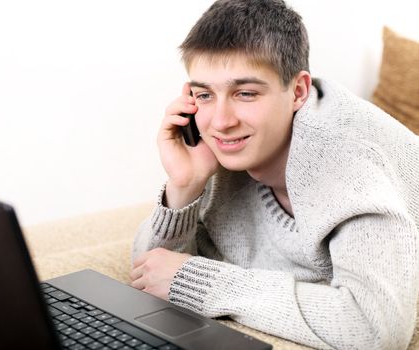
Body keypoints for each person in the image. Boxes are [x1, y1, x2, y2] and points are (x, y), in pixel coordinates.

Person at [129, 0, 419, 349]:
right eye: (204, 94)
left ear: (298, 91)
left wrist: (198, 281)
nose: (221, 122)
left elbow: (375, 330)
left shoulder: (345, 161)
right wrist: (185, 185)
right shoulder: (226, 152)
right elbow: (150, 273)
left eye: (245, 93)